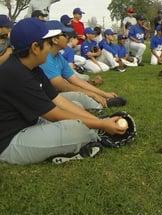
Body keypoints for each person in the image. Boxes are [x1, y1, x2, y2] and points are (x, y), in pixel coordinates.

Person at [0, 18, 126, 165]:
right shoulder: (15, 73)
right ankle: (95, 136)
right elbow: (54, 114)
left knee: (77, 108)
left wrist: (99, 122)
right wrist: (101, 125)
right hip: (10, 142)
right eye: (48, 43)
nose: (50, 46)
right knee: (76, 130)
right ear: (35, 47)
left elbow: (59, 100)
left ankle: (97, 131)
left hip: (30, 124)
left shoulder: (32, 67)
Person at [40, 21, 124, 110]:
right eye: (64, 34)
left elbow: (76, 80)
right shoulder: (45, 58)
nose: (68, 37)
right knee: (80, 97)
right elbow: (64, 86)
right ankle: (100, 107)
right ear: (54, 40)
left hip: (53, 94)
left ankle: (99, 104)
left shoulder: (58, 56)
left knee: (79, 97)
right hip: (44, 98)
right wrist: (92, 94)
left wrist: (103, 93)